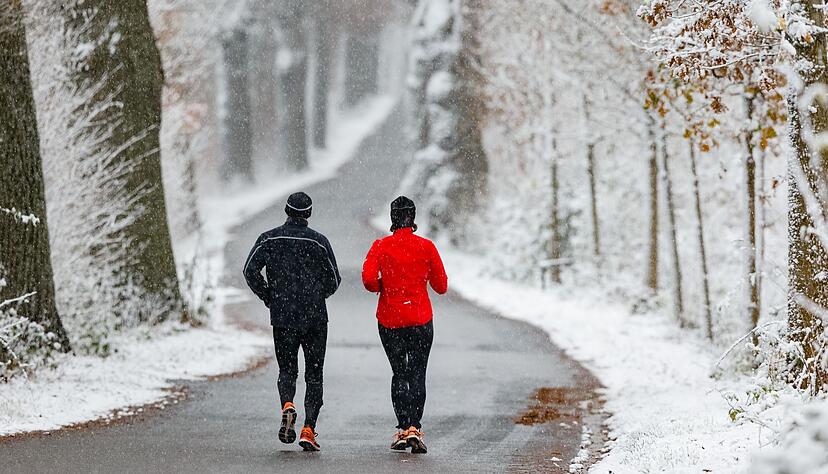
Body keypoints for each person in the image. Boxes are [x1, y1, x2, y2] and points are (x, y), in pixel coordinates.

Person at [243, 192, 341, 452]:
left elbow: (249, 270)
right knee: (314, 375)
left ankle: (288, 404)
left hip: (283, 316)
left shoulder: (269, 239)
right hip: (315, 318)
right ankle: (308, 429)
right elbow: (334, 279)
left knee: (287, 370)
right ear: (309, 213)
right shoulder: (319, 242)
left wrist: (269, 296)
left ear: (286, 211)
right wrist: (318, 295)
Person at [361, 196, 448, 454]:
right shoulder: (427, 247)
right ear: (413, 217)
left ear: (392, 218)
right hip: (420, 319)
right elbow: (441, 286)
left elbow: (368, 280)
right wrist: (421, 279)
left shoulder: (380, 246)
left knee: (399, 372)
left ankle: (401, 429)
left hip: (390, 320)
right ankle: (414, 428)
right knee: (418, 372)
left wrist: (384, 286)